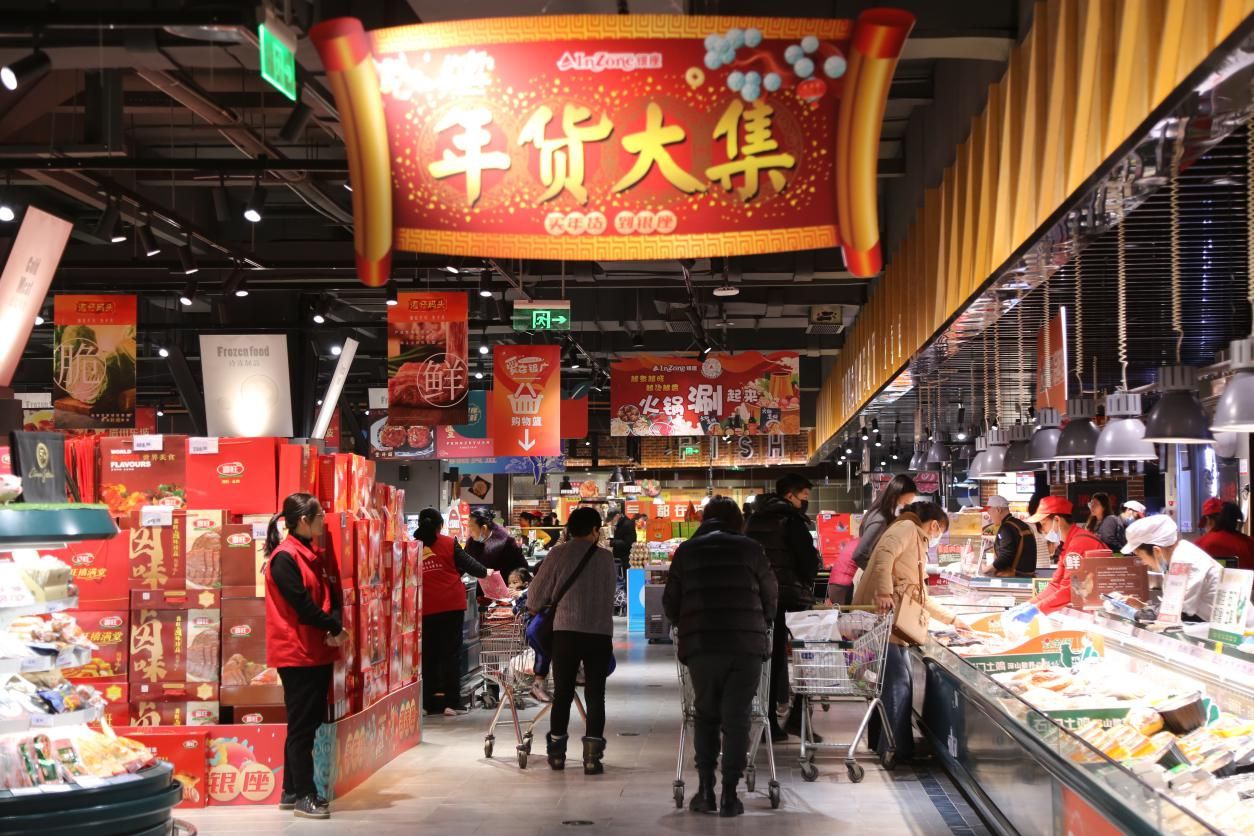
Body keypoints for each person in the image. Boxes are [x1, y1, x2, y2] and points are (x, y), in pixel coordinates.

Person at [664, 497, 778, 817]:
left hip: (702, 645)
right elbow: (771, 595)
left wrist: (686, 619)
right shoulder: (751, 549)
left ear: (705, 519)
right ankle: (730, 794)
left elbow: (670, 603)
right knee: (737, 717)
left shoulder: (687, 551)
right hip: (746, 645)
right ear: (738, 520)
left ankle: (705, 791)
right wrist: (763, 621)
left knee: (706, 714)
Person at [852, 501, 968, 761]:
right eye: (940, 533)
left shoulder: (915, 538)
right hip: (883, 619)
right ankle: (895, 750)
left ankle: (888, 745)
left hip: (894, 621)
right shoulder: (906, 528)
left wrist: (953, 619)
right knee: (899, 684)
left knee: (893, 683)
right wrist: (884, 592)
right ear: (934, 524)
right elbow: (884, 556)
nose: (936, 539)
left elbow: (920, 595)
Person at [263, 493, 347, 820]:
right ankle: (304, 796)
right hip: (296, 653)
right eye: (320, 515)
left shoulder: (309, 553)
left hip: (314, 649)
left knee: (306, 723)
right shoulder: (285, 558)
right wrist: (335, 627)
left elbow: (323, 598)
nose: (323, 520)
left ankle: (290, 789)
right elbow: (302, 606)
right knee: (302, 727)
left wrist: (332, 626)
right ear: (303, 520)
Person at [527, 506, 616, 775]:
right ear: (595, 530)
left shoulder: (557, 554)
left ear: (569, 529)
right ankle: (592, 758)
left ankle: (557, 754)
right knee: (596, 694)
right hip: (599, 633)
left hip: (565, 632)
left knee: (563, 693)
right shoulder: (606, 558)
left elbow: (535, 597)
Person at [745, 473, 820, 742]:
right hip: (790, 598)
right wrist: (808, 580)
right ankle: (795, 719)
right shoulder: (792, 521)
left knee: (770, 660)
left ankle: (768, 721)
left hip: (760, 598)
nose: (805, 502)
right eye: (804, 497)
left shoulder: (754, 519)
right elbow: (808, 561)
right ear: (790, 495)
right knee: (804, 658)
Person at [415, 507, 488, 716]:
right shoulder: (448, 543)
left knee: (427, 656)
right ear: (440, 526)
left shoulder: (412, 546)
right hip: (451, 606)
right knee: (450, 654)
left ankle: (426, 704)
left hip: (424, 607)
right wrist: (486, 572)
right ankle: (451, 704)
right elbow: (473, 567)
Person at [829, 474, 919, 605]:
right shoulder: (880, 518)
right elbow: (860, 554)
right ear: (896, 494)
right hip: (845, 583)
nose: (906, 506)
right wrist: (881, 576)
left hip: (846, 580)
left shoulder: (880, 513)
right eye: (906, 502)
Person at [1124, 515, 1221, 621]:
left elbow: (1177, 613)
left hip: (1213, 627)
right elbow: (1171, 607)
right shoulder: (1177, 556)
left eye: (1140, 555)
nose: (1143, 562)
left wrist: (1132, 612)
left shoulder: (1184, 562)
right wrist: (1142, 606)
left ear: (1157, 551)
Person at [1027, 497, 1105, 614]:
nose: (1042, 530)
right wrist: (1029, 605)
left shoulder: (1079, 543)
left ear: (1057, 520)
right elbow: (1055, 585)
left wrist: (1036, 609)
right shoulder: (1069, 543)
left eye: (1043, 524)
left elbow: (1069, 589)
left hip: (1101, 610)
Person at [465, 507, 528, 583]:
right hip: (483, 587)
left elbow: (522, 569)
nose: (469, 531)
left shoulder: (507, 543)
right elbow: (463, 562)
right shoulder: (471, 543)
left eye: (471, 527)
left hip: (506, 586)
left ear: (484, 528)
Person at [984, 496, 1036, 578]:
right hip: (1026, 576)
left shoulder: (1006, 528)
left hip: (1014, 578)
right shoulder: (1021, 524)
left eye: (990, 512)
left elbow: (1006, 555)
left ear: (998, 510)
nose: (989, 516)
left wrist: (986, 569)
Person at [1196, 500, 1254, 571]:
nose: (1205, 529)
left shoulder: (1199, 545)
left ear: (1208, 520)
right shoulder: (1250, 543)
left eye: (1204, 524)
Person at [607, 508, 637, 574]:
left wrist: (611, 542)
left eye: (612, 519)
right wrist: (610, 540)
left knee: (625, 578)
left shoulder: (628, 524)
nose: (611, 521)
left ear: (617, 516)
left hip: (626, 559)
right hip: (620, 558)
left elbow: (629, 543)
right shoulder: (620, 523)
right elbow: (619, 537)